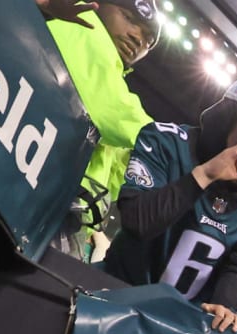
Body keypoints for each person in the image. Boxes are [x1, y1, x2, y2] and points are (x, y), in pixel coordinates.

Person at [101, 76, 237, 332]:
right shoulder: (165, 141)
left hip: (179, 325)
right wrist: (204, 176)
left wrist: (223, 307)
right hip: (114, 292)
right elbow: (137, 222)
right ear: (224, 122)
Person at [41, 0, 157, 258]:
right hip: (34, 190)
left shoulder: (109, 75)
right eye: (129, 18)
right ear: (98, 5)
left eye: (148, 40)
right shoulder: (85, 28)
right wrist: (169, 145)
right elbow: (111, 110)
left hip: (54, 200)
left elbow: (112, 177)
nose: (137, 37)